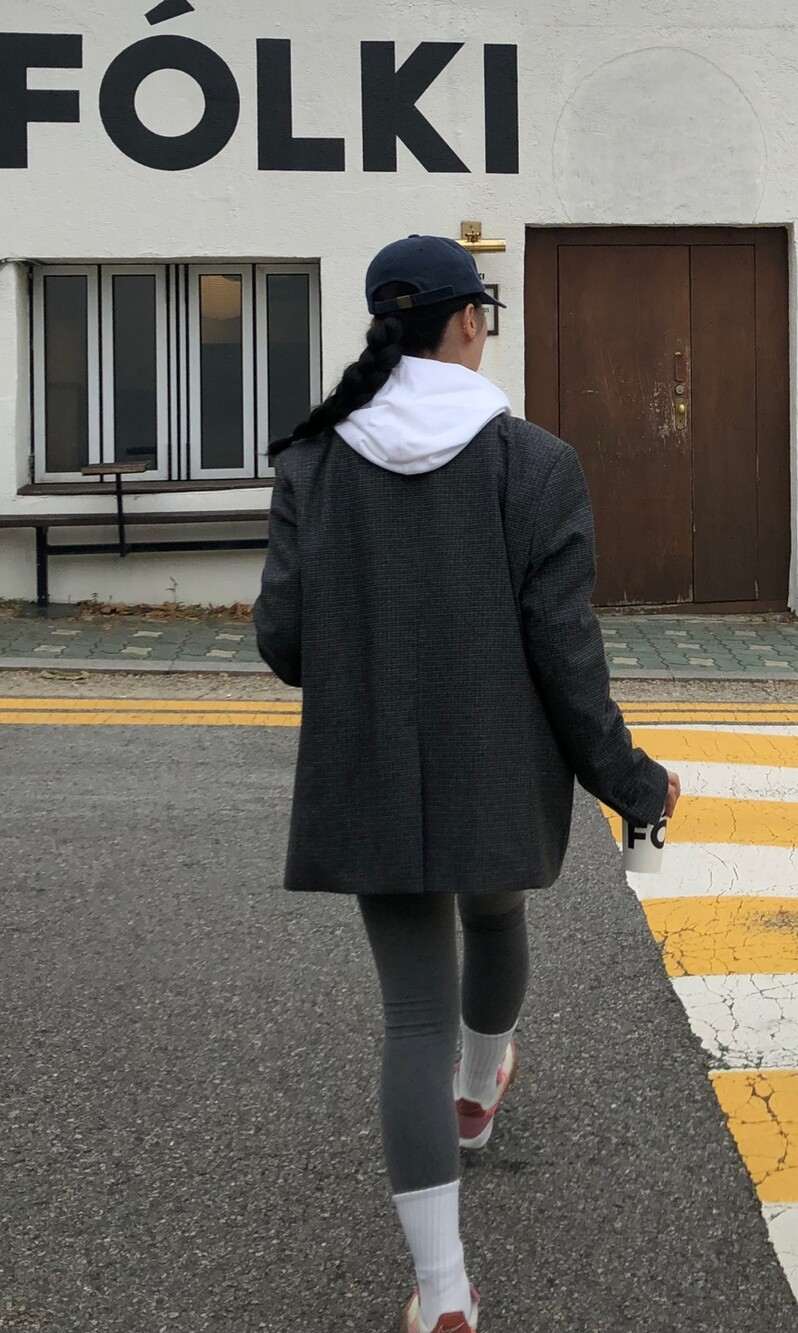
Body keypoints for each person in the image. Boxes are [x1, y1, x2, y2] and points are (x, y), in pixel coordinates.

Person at [254, 235, 681, 1333]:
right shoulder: (534, 462)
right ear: (468, 322)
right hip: (498, 766)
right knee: (494, 918)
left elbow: (284, 643)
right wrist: (634, 782)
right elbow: (567, 659)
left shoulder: (313, 459)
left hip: (370, 774)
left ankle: (443, 1293)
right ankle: (479, 1091)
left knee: (410, 1014)